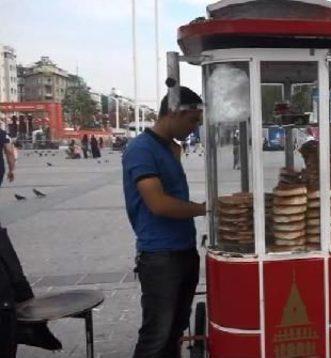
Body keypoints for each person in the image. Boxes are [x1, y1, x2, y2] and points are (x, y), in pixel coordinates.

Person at [122, 86, 206, 357]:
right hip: (160, 256)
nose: (194, 128)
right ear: (173, 112)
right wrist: (205, 209)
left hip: (184, 249)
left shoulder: (172, 148)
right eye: (192, 120)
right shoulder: (141, 149)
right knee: (156, 335)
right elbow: (157, 203)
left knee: (176, 330)